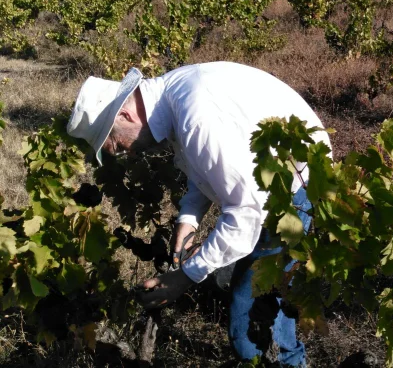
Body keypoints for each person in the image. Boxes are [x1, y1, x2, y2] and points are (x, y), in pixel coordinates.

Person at [67, 61, 330, 367]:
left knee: (250, 326)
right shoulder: (172, 99)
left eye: (118, 145)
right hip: (278, 181)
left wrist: (184, 277)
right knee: (261, 299)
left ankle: (283, 361)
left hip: (295, 186)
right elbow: (205, 165)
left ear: (125, 115)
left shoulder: (195, 115)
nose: (130, 153)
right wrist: (188, 218)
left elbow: (246, 211)